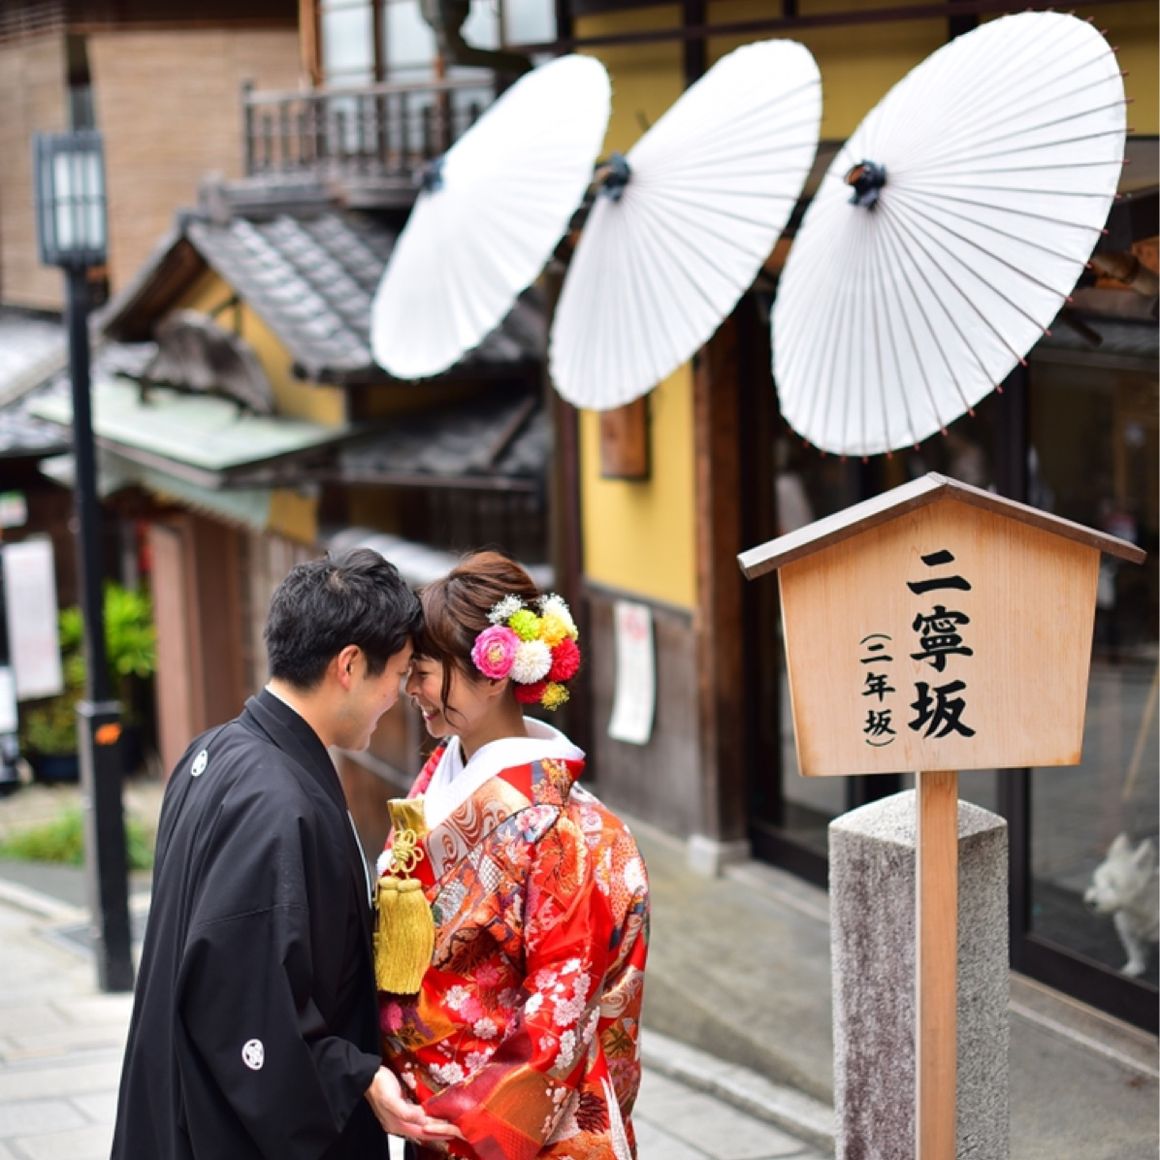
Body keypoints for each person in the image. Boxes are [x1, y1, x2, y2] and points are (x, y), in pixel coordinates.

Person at [111, 549, 459, 1159]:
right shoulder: (276, 802)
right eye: (399, 674)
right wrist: (355, 1076)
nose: (400, 695)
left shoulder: (215, 751)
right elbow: (243, 1004)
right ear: (349, 665)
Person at [375, 551, 650, 1160]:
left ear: (495, 674)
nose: (412, 690)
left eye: (424, 672)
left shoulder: (558, 830)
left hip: (489, 1124)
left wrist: (460, 1120)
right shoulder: (440, 780)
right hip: (426, 1111)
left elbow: (559, 1011)